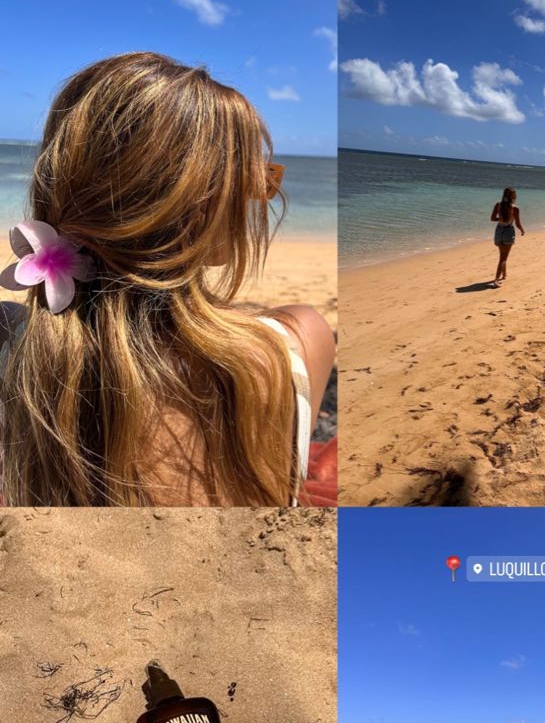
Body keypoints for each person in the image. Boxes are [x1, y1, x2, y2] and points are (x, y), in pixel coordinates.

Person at [0, 52, 334, 507]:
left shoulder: (17, 350)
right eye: (256, 181)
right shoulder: (300, 340)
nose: (260, 195)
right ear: (205, 204)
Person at [490, 187, 525, 288]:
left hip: (499, 231)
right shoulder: (515, 208)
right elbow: (517, 224)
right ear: (514, 197)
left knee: (502, 255)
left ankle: (504, 275)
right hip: (508, 231)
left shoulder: (498, 205)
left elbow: (492, 218)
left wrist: (500, 219)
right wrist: (522, 230)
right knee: (503, 258)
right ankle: (496, 280)